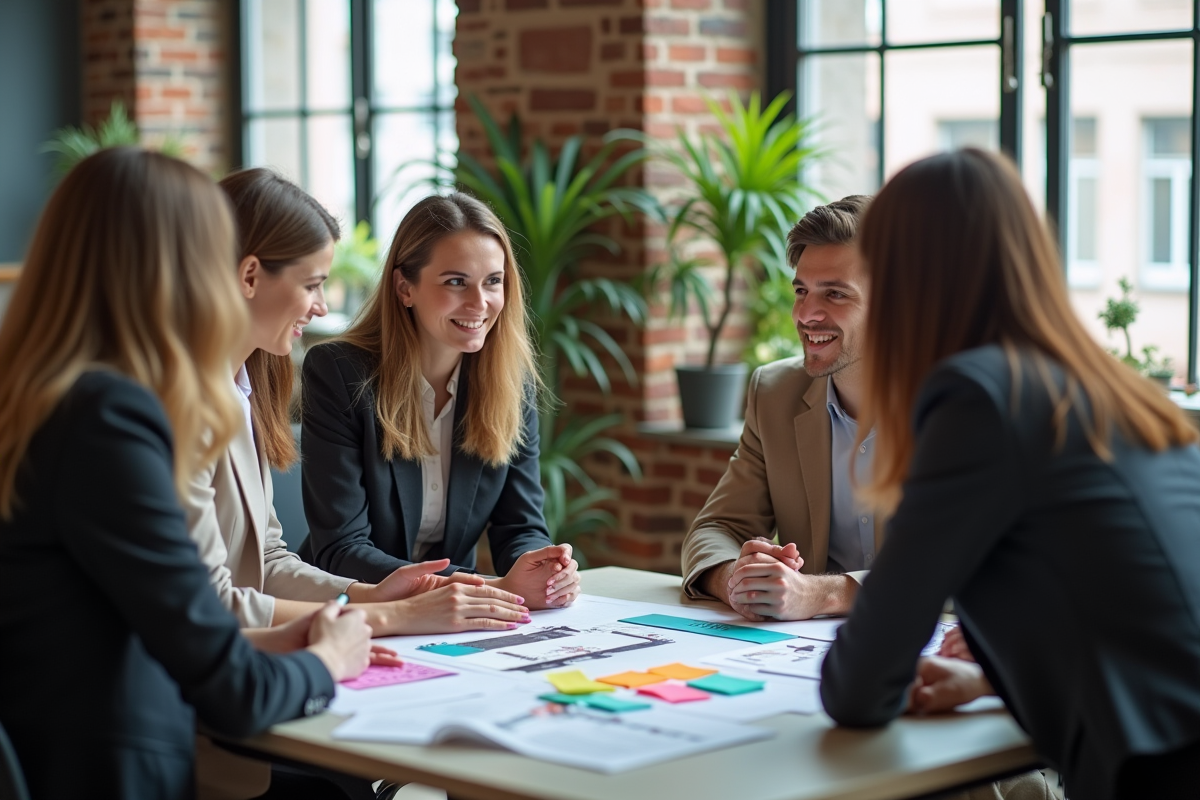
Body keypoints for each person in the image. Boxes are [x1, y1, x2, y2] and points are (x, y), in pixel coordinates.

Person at [820, 148, 1200, 800]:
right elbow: (1130, 613)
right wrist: (988, 680)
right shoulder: (1103, 385)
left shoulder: (978, 398)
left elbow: (860, 683)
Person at [0, 147, 372, 800]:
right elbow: (233, 692)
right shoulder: (109, 418)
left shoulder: (40, 397)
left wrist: (290, 634)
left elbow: (146, 617)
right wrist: (327, 660)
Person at [301, 193, 579, 610]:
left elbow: (520, 526)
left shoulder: (510, 384)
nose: (479, 303)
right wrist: (490, 587)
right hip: (353, 608)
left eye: (493, 281)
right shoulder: (340, 373)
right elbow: (341, 548)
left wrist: (541, 569)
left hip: (452, 613)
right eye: (455, 282)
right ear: (404, 287)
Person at [681, 196, 877, 621]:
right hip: (809, 652)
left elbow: (968, 563)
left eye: (836, 294)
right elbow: (715, 529)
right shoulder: (775, 393)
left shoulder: (961, 405)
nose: (806, 314)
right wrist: (739, 578)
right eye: (802, 291)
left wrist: (824, 595)